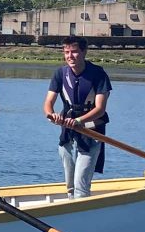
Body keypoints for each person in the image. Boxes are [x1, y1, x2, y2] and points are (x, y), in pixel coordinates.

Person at [43, 36, 112, 199]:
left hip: (92, 131)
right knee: (70, 184)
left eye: (74, 52)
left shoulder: (98, 74)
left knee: (81, 182)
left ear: (84, 52)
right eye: (66, 52)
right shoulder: (60, 74)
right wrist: (51, 114)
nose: (70, 56)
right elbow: (48, 102)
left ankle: (81, 206)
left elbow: (100, 109)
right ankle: (70, 202)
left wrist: (79, 121)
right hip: (67, 130)